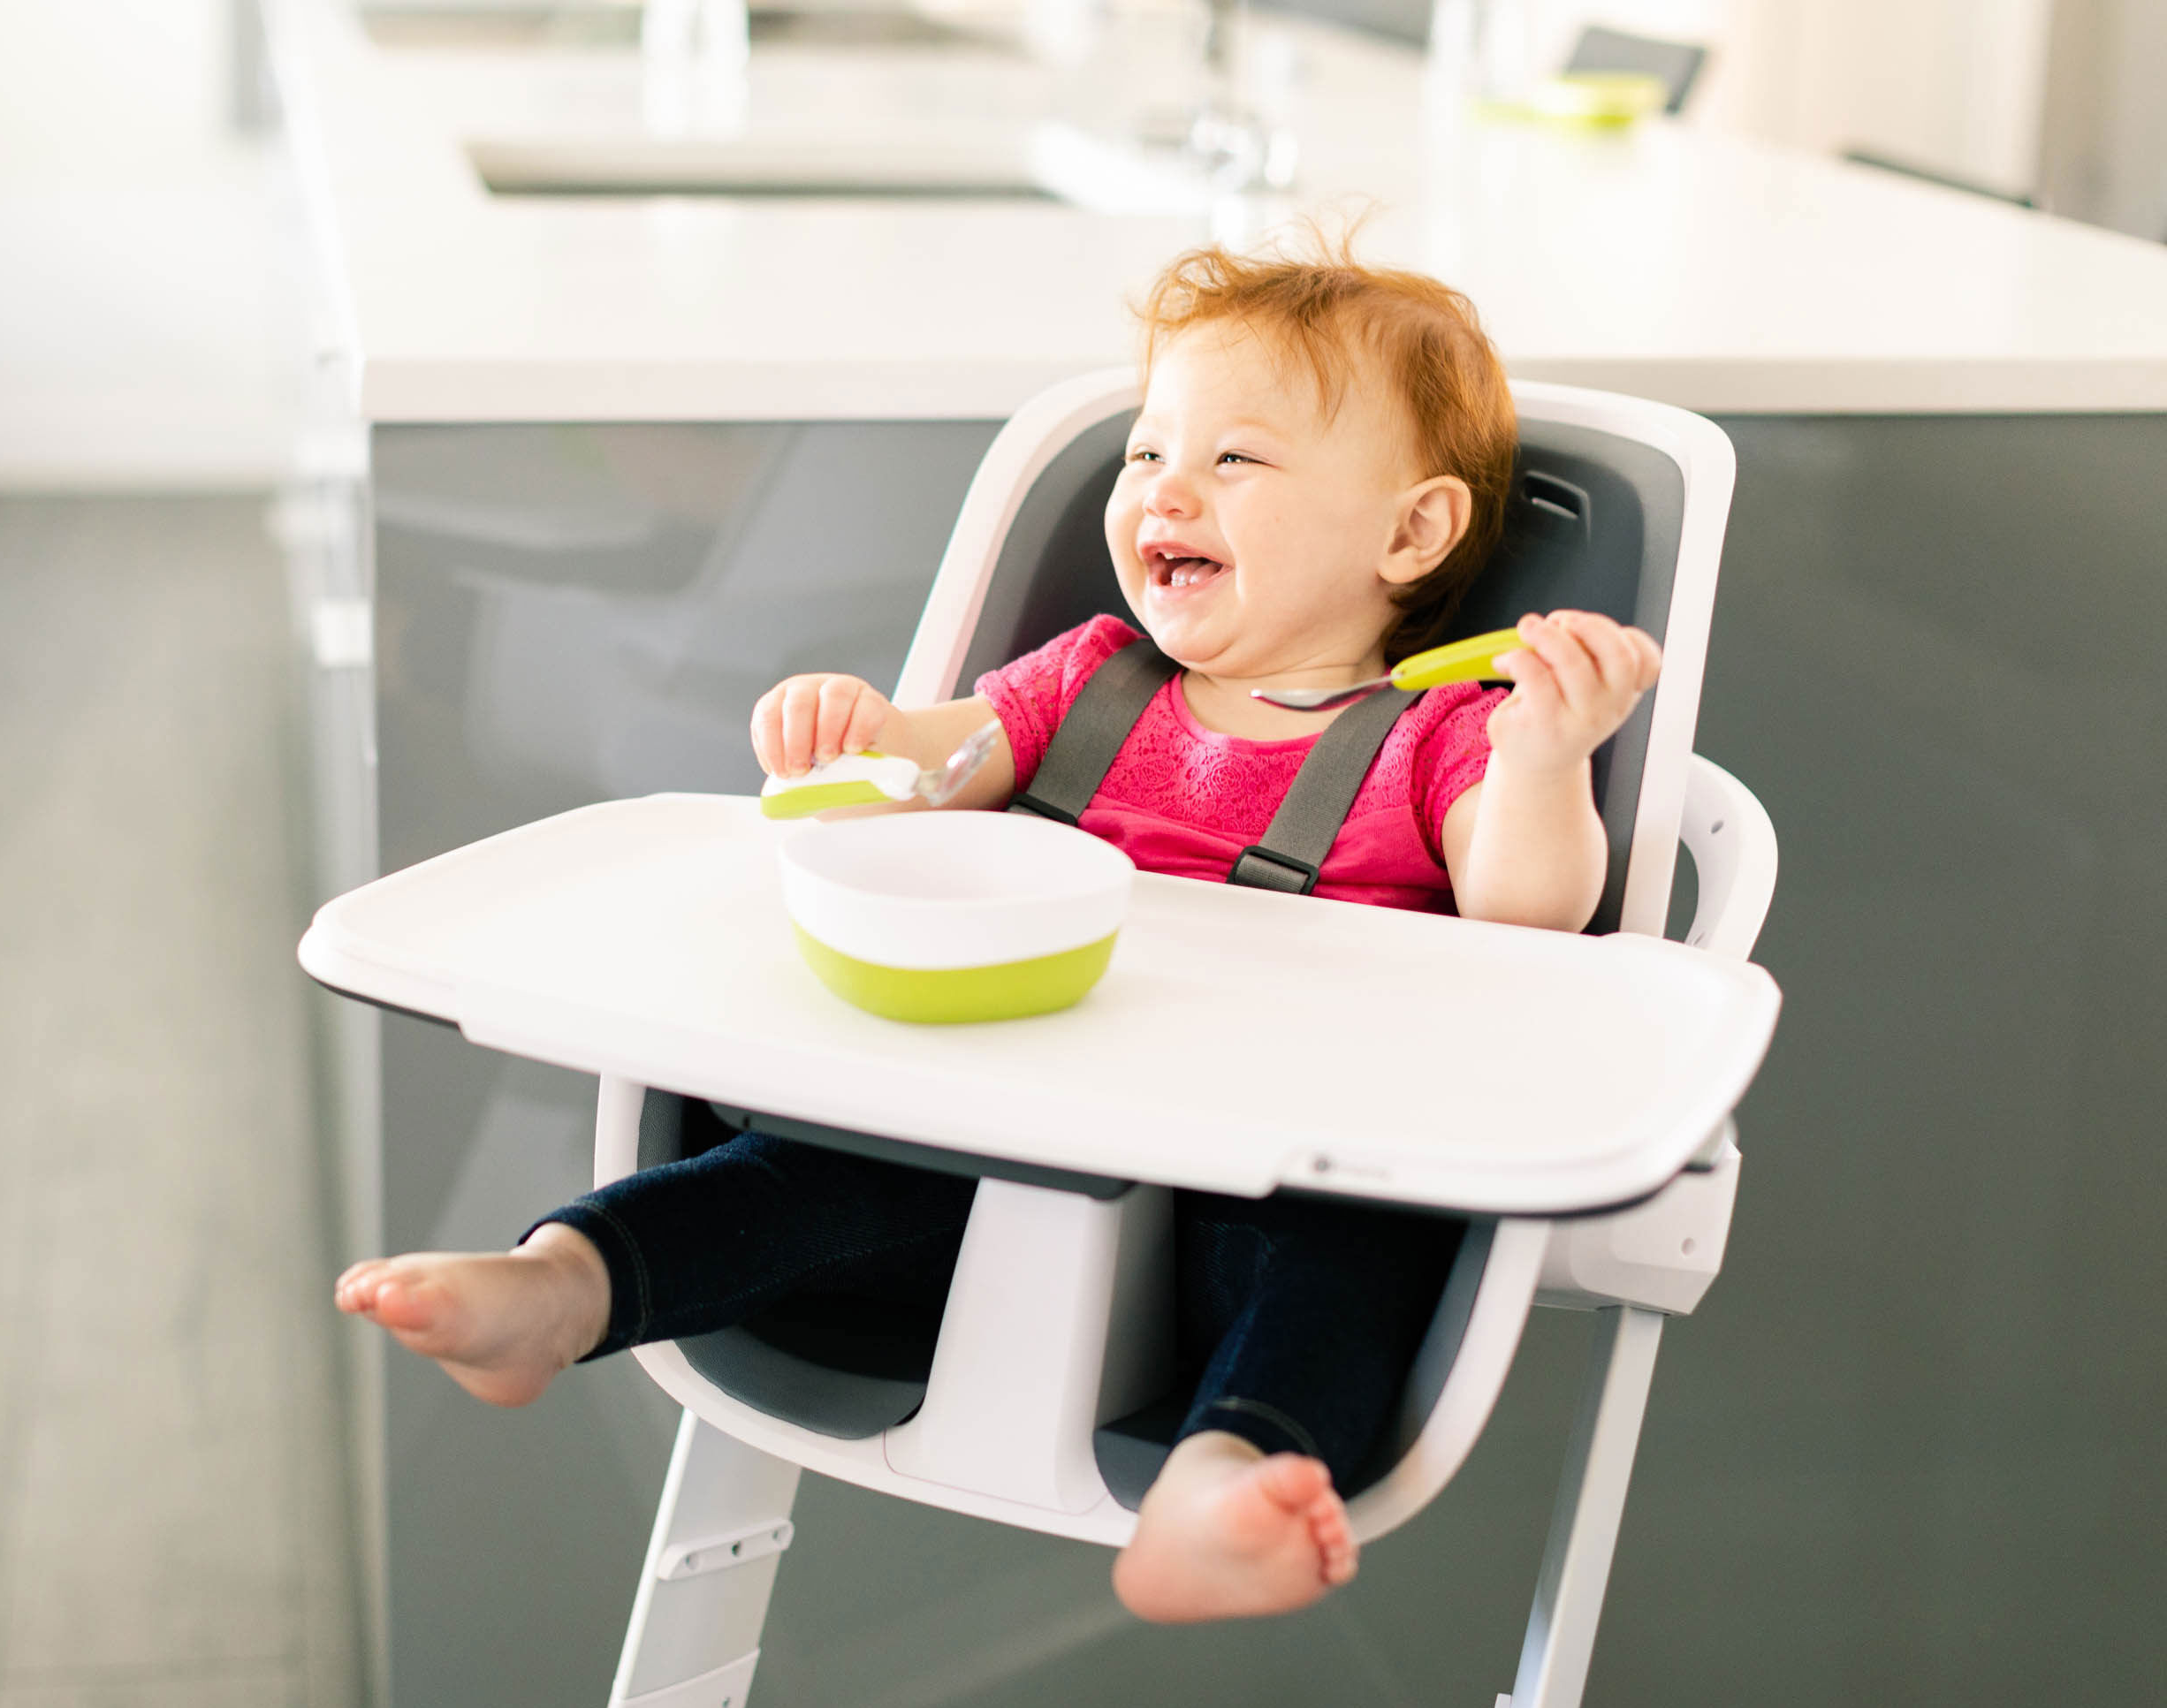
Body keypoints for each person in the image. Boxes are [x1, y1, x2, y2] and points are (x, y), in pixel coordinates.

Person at [334, 238, 1664, 1623]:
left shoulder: (1448, 737)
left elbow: (1528, 914)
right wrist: (847, 737)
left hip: (1265, 1191)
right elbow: (916, 776)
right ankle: (565, 1285)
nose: (1164, 490)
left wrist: (1549, 753)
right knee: (807, 1161)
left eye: (1236, 462)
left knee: (1350, 1261)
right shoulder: (1088, 681)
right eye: (1149, 454)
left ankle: (1225, 1476)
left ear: (1409, 534)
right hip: (983, 1168)